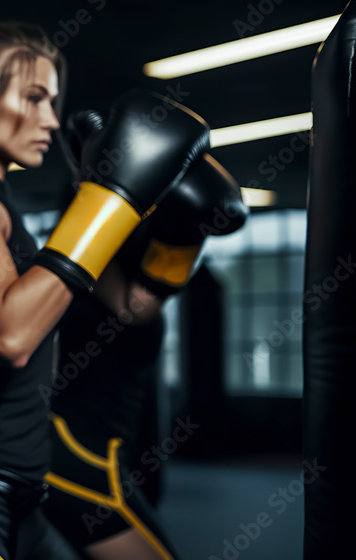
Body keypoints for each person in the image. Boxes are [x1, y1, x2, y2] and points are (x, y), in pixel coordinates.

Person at [0, 15, 210, 560]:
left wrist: (176, 242)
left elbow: (124, 305)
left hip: (23, 491)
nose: (51, 121)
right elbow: (9, 335)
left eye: (53, 102)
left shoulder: (3, 206)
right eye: (33, 98)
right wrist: (111, 200)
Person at [42, 110, 249, 560]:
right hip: (81, 455)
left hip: (99, 447)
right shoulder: (96, 275)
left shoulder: (125, 273)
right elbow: (135, 304)